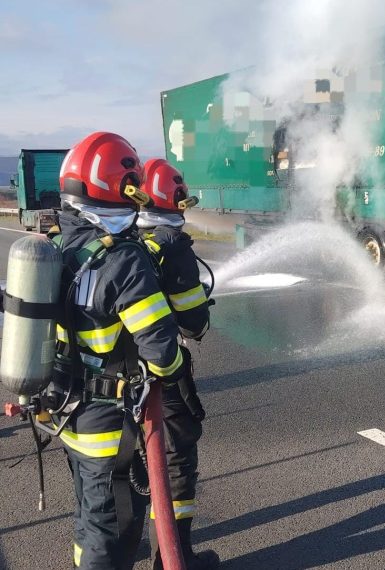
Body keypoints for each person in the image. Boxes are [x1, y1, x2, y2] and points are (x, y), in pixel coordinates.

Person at [50, 132, 186, 569]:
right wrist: (177, 364)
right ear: (122, 187)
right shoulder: (124, 261)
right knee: (113, 532)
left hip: (59, 409)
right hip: (105, 425)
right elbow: (163, 354)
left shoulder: (55, 245)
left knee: (87, 515)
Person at [138, 158, 217, 569]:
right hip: (161, 375)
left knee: (127, 461)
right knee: (175, 460)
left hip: (110, 378)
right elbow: (195, 323)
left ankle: (128, 546)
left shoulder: (121, 238)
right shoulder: (172, 246)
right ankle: (174, 555)